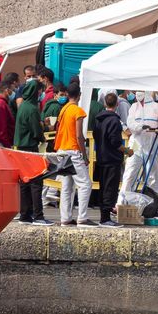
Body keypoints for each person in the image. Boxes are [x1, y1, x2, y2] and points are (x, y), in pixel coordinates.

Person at [117, 91, 158, 209]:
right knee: (130, 174)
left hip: (152, 145)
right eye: (136, 91)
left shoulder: (157, 107)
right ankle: (121, 205)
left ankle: (156, 207)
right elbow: (130, 124)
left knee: (154, 176)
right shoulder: (134, 107)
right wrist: (141, 127)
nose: (137, 93)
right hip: (136, 145)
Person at [54, 83, 94, 227]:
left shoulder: (63, 109)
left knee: (67, 186)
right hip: (73, 150)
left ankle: (65, 217)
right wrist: (84, 155)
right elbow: (79, 136)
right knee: (85, 184)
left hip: (62, 150)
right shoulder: (78, 111)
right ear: (79, 95)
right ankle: (82, 218)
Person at [13, 80, 52, 226]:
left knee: (25, 182)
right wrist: (43, 137)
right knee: (36, 182)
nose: (41, 93)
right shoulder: (32, 108)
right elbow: (36, 131)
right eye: (39, 91)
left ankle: (25, 215)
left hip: (20, 148)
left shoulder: (23, 106)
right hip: (30, 148)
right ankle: (38, 216)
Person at [94, 92, 133, 227]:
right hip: (112, 159)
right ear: (117, 104)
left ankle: (103, 216)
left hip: (100, 157)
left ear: (105, 104)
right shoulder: (114, 121)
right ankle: (106, 219)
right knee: (110, 188)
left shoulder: (98, 119)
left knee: (103, 187)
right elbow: (115, 142)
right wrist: (127, 151)